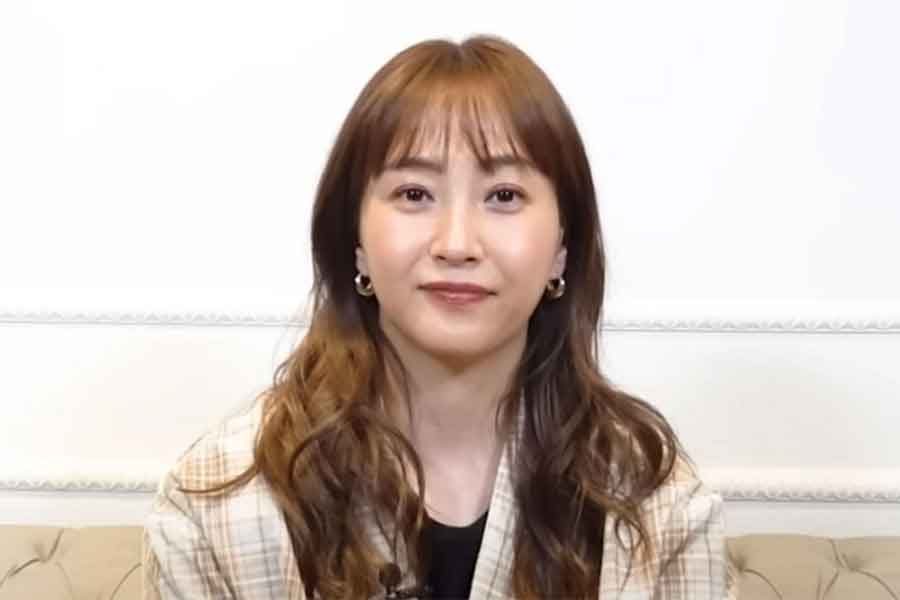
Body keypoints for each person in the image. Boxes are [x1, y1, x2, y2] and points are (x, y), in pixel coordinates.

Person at [143, 34, 733, 599]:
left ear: (562, 247)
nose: (456, 244)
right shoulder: (216, 506)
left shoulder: (656, 503)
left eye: (504, 196)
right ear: (355, 243)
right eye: (414, 195)